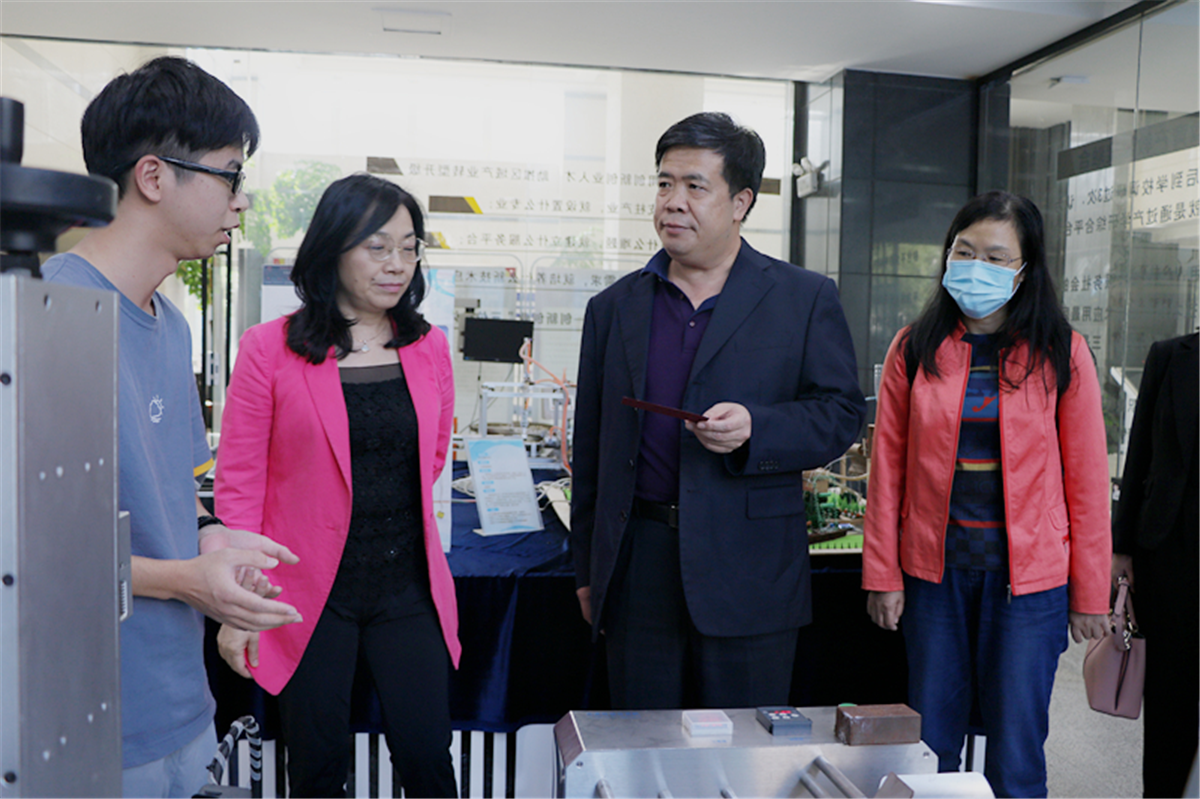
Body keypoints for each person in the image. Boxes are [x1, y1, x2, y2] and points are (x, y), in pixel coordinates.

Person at [41, 56, 303, 797]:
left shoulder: (171, 324)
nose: (240, 202)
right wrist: (190, 582)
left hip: (182, 703)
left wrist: (215, 543)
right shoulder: (44, 314)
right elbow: (35, 551)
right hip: (85, 717)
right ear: (154, 177)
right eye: (229, 175)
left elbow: (173, 494)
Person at [570, 111, 866, 710]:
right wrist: (587, 572)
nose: (673, 202)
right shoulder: (614, 308)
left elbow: (841, 413)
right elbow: (592, 449)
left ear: (740, 202)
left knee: (744, 746)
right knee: (644, 747)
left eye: (694, 186)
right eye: (664, 183)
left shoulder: (803, 298)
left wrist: (759, 428)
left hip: (750, 570)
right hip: (638, 567)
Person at [215, 173, 459, 798]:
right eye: (378, 247)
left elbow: (432, 456)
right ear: (333, 247)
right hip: (306, 592)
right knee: (317, 767)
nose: (397, 264)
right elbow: (239, 485)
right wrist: (241, 600)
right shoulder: (269, 349)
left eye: (409, 247)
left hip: (407, 585)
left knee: (428, 758)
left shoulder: (428, 347)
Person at [862, 190, 1111, 799]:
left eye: (997, 257)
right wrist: (882, 574)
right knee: (930, 742)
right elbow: (886, 468)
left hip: (1029, 586)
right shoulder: (913, 347)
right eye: (964, 251)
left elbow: (1086, 481)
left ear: (1025, 270)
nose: (977, 267)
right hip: (934, 576)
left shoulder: (1062, 351)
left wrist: (1090, 591)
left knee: (1017, 749)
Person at [1112, 332, 1199, 799]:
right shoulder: (1170, 356)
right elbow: (1140, 454)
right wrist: (1121, 548)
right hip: (1170, 557)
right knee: (1169, 706)